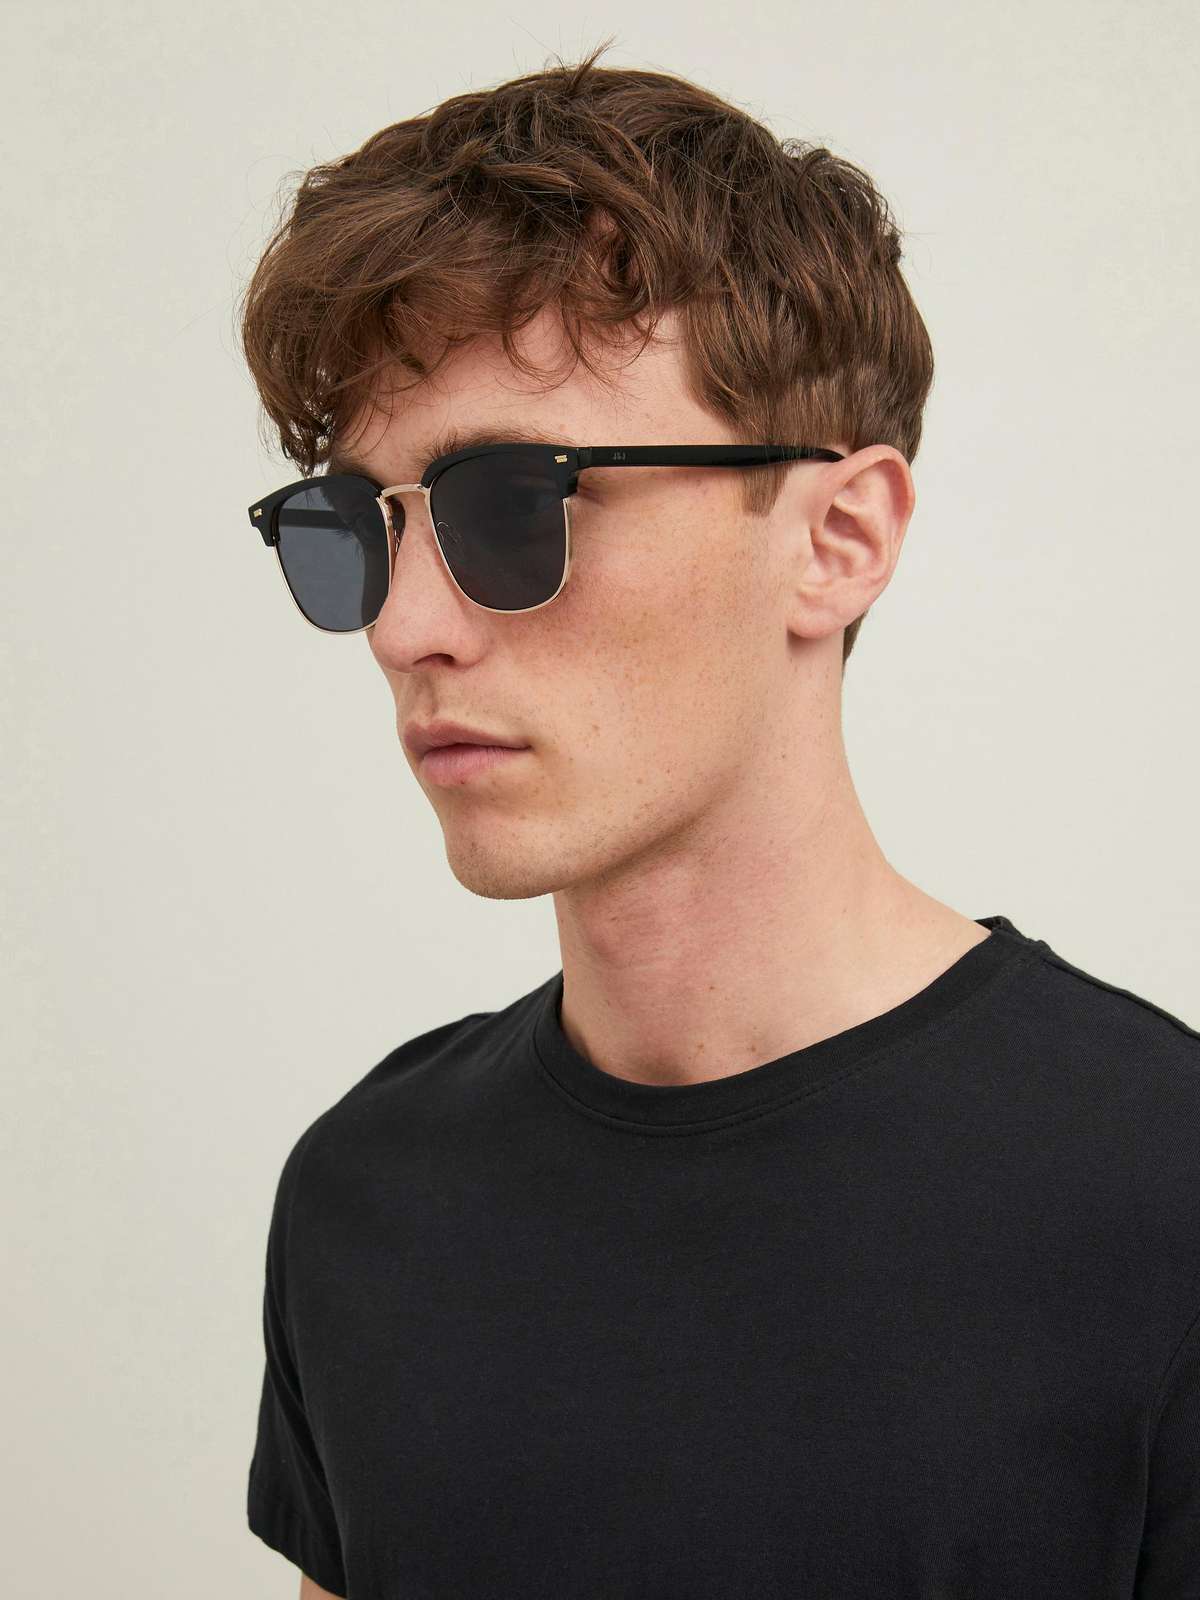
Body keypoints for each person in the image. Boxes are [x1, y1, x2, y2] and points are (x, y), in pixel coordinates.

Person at [239, 43, 1200, 1600]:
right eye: (357, 526)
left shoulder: (1161, 1199)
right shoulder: (370, 1196)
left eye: (516, 503)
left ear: (838, 536)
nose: (405, 628)